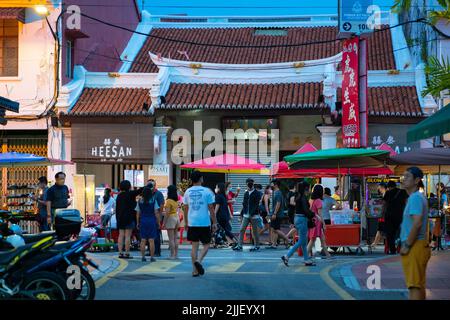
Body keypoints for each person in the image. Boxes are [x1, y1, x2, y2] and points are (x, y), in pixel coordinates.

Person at [400, 167, 431, 300]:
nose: (403, 179)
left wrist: (407, 244)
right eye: (403, 176)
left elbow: (417, 223)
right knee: (418, 285)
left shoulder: (415, 198)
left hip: (415, 246)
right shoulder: (417, 197)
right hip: (419, 244)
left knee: (414, 286)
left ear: (417, 180)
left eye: (407, 177)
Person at [183, 171, 217, 277]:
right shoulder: (207, 191)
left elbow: (185, 208)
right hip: (204, 222)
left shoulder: (187, 192)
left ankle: (194, 270)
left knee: (194, 247)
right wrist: (214, 222)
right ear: (201, 179)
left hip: (192, 222)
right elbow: (211, 208)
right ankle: (199, 260)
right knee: (207, 244)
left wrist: (186, 222)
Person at [281, 181, 316, 267]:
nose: (309, 190)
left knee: (303, 242)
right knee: (301, 241)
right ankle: (287, 256)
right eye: (308, 188)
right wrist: (313, 214)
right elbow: (305, 210)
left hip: (297, 218)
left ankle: (306, 259)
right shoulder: (303, 197)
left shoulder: (298, 196)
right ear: (305, 189)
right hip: (302, 219)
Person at [116, 180, 143, 259]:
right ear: (129, 186)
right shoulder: (130, 194)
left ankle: (120, 253)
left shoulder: (119, 196)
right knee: (128, 236)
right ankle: (127, 253)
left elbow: (117, 208)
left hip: (120, 218)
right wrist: (148, 185)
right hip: (129, 218)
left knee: (121, 235)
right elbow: (139, 191)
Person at [233, 178, 262, 252]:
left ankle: (257, 246)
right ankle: (239, 245)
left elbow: (257, 204)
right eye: (248, 183)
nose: (249, 185)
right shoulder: (246, 193)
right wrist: (241, 214)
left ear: (253, 184)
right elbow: (244, 204)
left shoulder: (257, 193)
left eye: (251, 183)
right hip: (246, 214)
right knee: (242, 229)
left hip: (254, 215)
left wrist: (252, 213)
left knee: (255, 231)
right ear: (246, 184)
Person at [307, 184, 332, 259]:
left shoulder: (311, 200)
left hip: (312, 220)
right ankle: (306, 255)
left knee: (321, 239)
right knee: (313, 239)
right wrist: (323, 224)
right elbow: (320, 214)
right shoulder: (318, 201)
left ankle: (328, 255)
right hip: (316, 222)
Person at [136, 186, 160, 262]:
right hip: (151, 221)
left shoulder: (139, 201)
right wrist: (158, 222)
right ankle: (152, 257)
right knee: (151, 240)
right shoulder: (153, 200)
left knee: (143, 240)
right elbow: (156, 212)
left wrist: (137, 222)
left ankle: (143, 257)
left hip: (143, 221)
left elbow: (137, 213)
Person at [383, 181, 409, 254]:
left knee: (390, 234)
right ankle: (401, 247)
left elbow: (384, 204)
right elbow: (407, 202)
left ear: (388, 187)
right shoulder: (403, 192)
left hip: (389, 216)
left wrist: (382, 213)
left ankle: (392, 249)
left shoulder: (388, 193)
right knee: (402, 232)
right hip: (400, 215)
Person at [267, 179, 290, 250]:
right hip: (275, 214)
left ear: (275, 185)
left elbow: (278, 203)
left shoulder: (278, 193)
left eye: (272, 184)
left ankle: (288, 240)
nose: (271, 185)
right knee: (274, 229)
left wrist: (274, 213)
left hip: (277, 214)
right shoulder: (275, 192)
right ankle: (274, 244)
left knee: (276, 229)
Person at [215, 183, 238, 247]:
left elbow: (217, 206)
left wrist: (213, 214)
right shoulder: (224, 196)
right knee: (226, 229)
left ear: (219, 188)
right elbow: (227, 206)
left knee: (223, 229)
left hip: (220, 216)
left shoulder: (218, 196)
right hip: (225, 215)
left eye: (216, 187)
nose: (216, 189)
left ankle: (233, 241)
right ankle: (233, 241)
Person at [148, 179, 165, 257]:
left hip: (156, 216)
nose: (151, 187)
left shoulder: (158, 194)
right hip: (148, 216)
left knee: (156, 235)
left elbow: (161, 205)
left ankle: (157, 251)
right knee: (149, 235)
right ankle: (150, 251)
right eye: (150, 185)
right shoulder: (146, 194)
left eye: (153, 185)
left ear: (155, 185)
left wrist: (160, 216)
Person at [163, 185, 180, 259]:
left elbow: (167, 213)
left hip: (171, 218)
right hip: (176, 217)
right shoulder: (175, 201)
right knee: (175, 238)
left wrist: (164, 222)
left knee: (171, 238)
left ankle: (172, 255)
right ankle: (176, 255)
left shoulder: (168, 201)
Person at [370, 183, 388, 248]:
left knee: (380, 229)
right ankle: (375, 243)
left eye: (379, 188)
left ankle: (375, 243)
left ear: (383, 187)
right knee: (380, 229)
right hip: (383, 215)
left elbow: (384, 205)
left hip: (384, 215)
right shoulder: (384, 194)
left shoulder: (386, 194)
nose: (379, 189)